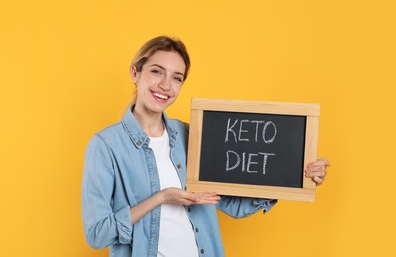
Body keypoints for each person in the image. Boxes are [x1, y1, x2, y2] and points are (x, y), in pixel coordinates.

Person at [82, 36, 330, 257]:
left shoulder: (191, 135)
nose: (166, 86)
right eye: (157, 72)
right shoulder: (105, 146)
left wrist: (295, 174)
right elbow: (97, 234)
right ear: (135, 73)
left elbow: (231, 204)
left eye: (176, 78)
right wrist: (160, 197)